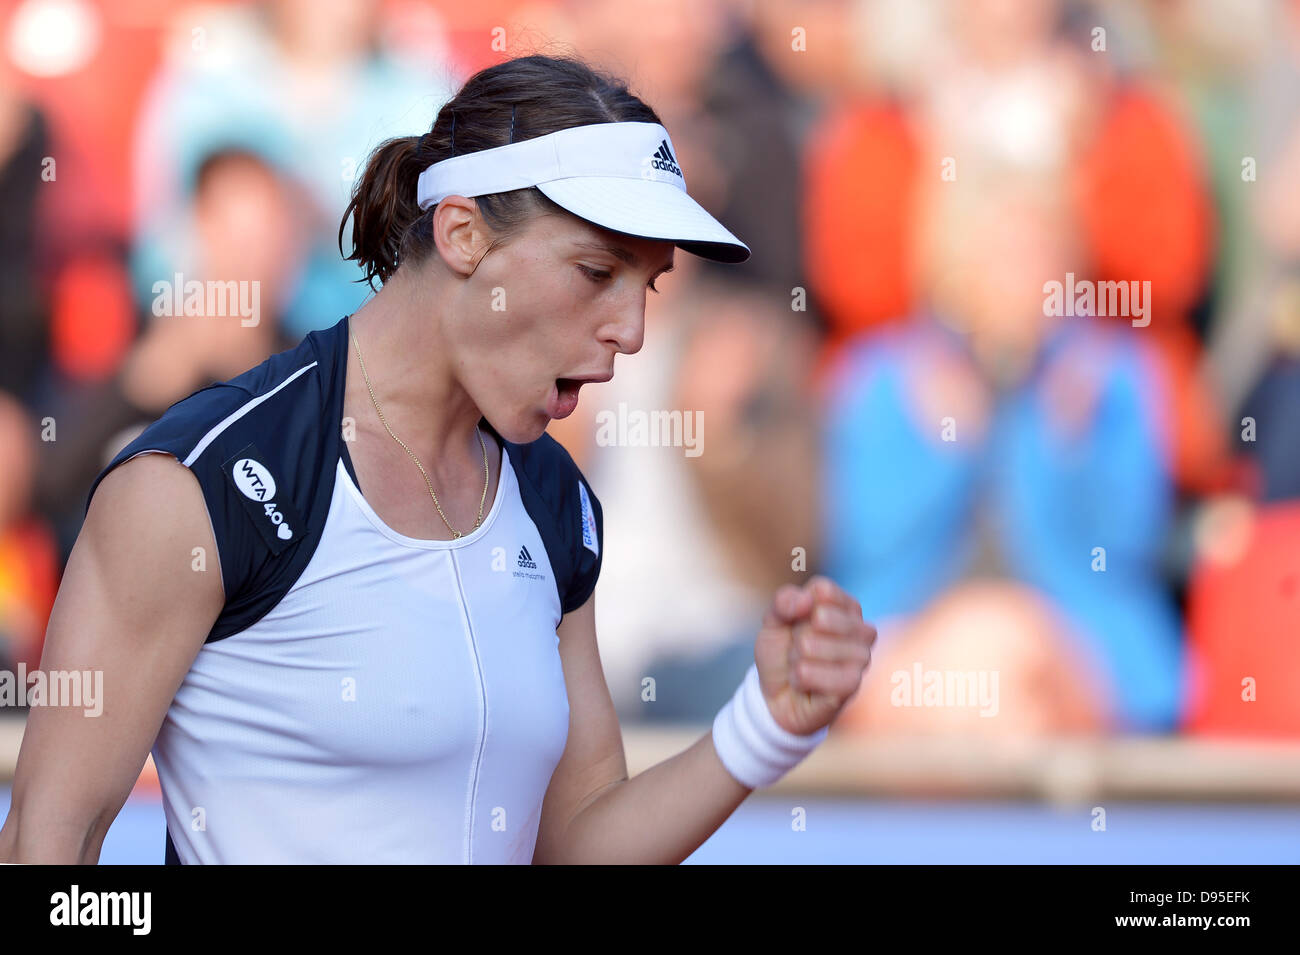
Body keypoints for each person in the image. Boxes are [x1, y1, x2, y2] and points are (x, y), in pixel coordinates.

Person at [0, 53, 875, 865]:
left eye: (646, 286)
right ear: (461, 234)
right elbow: (50, 848)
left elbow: (576, 843)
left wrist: (764, 727)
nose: (632, 332)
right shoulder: (199, 483)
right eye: (595, 271)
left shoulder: (553, 496)